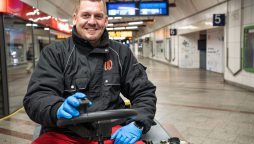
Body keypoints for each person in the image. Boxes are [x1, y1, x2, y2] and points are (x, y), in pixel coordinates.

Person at [23, 0, 157, 144]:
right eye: (86, 15)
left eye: (98, 16)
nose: (92, 22)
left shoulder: (121, 53)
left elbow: (144, 92)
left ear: (105, 21)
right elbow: (37, 96)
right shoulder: (55, 53)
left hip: (112, 133)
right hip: (65, 133)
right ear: (75, 18)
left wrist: (137, 124)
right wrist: (57, 107)